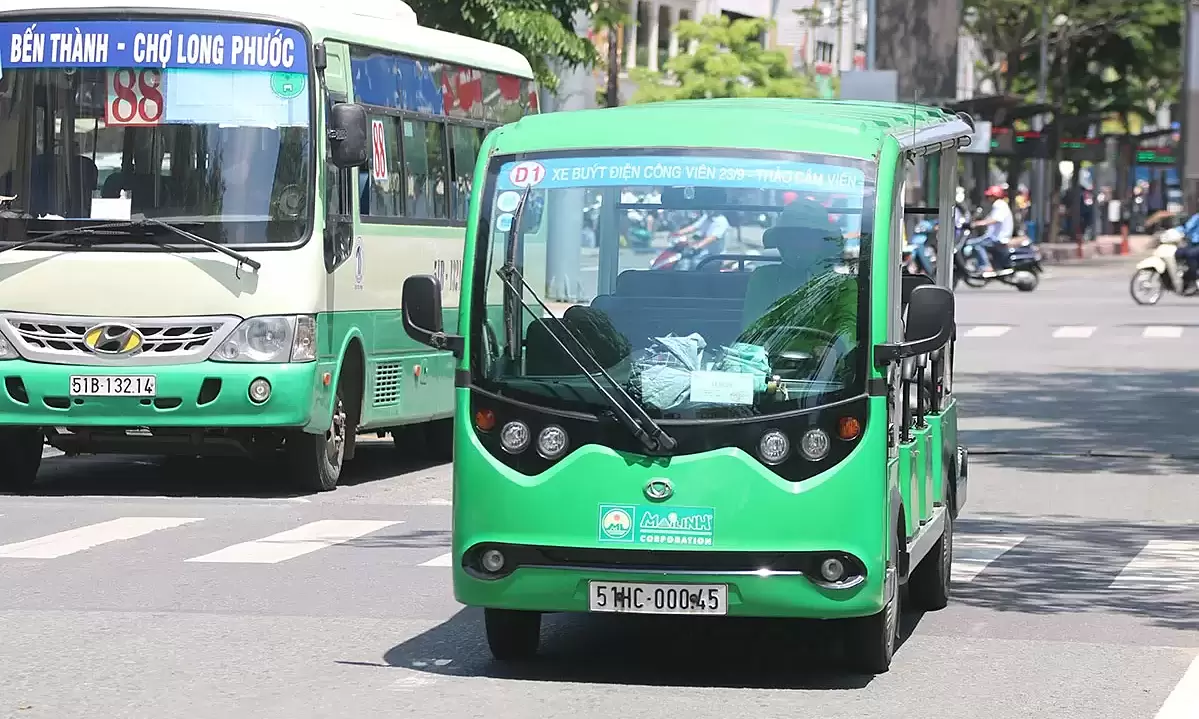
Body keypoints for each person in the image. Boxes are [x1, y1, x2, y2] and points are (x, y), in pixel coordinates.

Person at [740, 197, 847, 329]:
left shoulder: (839, 284)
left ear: (822, 243)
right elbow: (751, 329)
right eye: (791, 237)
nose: (799, 244)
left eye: (807, 238)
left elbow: (846, 335)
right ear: (780, 242)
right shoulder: (763, 278)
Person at [969, 184, 1014, 276]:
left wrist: (977, 224)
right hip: (995, 236)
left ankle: (986, 266)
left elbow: (994, 220)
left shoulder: (999, 205)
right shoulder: (1000, 205)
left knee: (976, 244)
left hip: (998, 237)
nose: (988, 198)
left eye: (990, 196)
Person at [1176, 211, 1199, 288]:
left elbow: (1187, 227)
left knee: (1190, 254)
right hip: (1193, 244)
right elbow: (1186, 227)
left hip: (1196, 245)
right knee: (1179, 252)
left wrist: (1180, 230)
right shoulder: (1196, 216)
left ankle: (1192, 280)